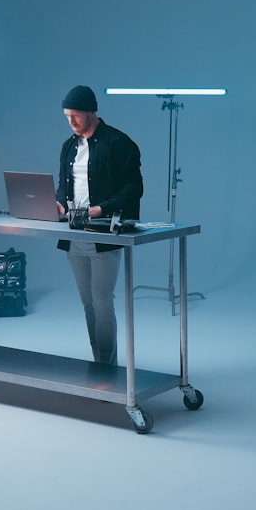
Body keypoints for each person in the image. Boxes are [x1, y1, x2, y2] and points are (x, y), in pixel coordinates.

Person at [55, 85, 143, 365]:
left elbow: (134, 188)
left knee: (103, 302)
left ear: (92, 112)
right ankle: (99, 363)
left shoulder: (119, 143)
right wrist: (58, 203)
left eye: (76, 115)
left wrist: (101, 209)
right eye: (67, 116)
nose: (71, 122)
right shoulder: (69, 146)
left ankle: (109, 367)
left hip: (104, 233)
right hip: (74, 231)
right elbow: (62, 186)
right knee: (88, 304)